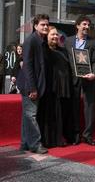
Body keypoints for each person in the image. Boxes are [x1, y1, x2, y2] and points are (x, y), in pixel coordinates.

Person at [16, 14, 49, 154]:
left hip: (33, 84)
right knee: (31, 115)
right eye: (42, 24)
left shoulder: (40, 40)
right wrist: (33, 88)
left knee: (27, 115)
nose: (46, 27)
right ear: (35, 26)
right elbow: (27, 66)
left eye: (47, 24)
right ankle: (35, 144)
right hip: (30, 85)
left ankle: (25, 143)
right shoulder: (31, 40)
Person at [65, 15, 95, 146]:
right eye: (84, 24)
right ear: (77, 25)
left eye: (88, 25)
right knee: (74, 107)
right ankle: (75, 135)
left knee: (89, 107)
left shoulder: (93, 42)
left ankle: (88, 135)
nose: (87, 27)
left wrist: (94, 74)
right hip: (73, 79)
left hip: (88, 78)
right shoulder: (68, 41)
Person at [37, 26, 73, 148]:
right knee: (50, 114)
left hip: (63, 87)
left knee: (61, 113)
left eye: (57, 35)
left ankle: (59, 137)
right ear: (46, 36)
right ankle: (48, 140)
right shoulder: (44, 51)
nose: (55, 37)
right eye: (52, 35)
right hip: (49, 88)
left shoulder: (63, 50)